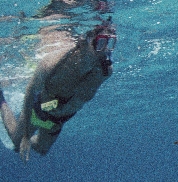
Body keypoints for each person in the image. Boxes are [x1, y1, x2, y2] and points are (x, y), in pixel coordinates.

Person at [0, 19, 116, 161]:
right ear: (84, 42)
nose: (104, 52)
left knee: (42, 150)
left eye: (110, 44)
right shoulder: (52, 64)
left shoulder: (105, 72)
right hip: (40, 111)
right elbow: (30, 91)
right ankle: (1, 99)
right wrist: (25, 135)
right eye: (100, 44)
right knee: (17, 143)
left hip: (58, 121)